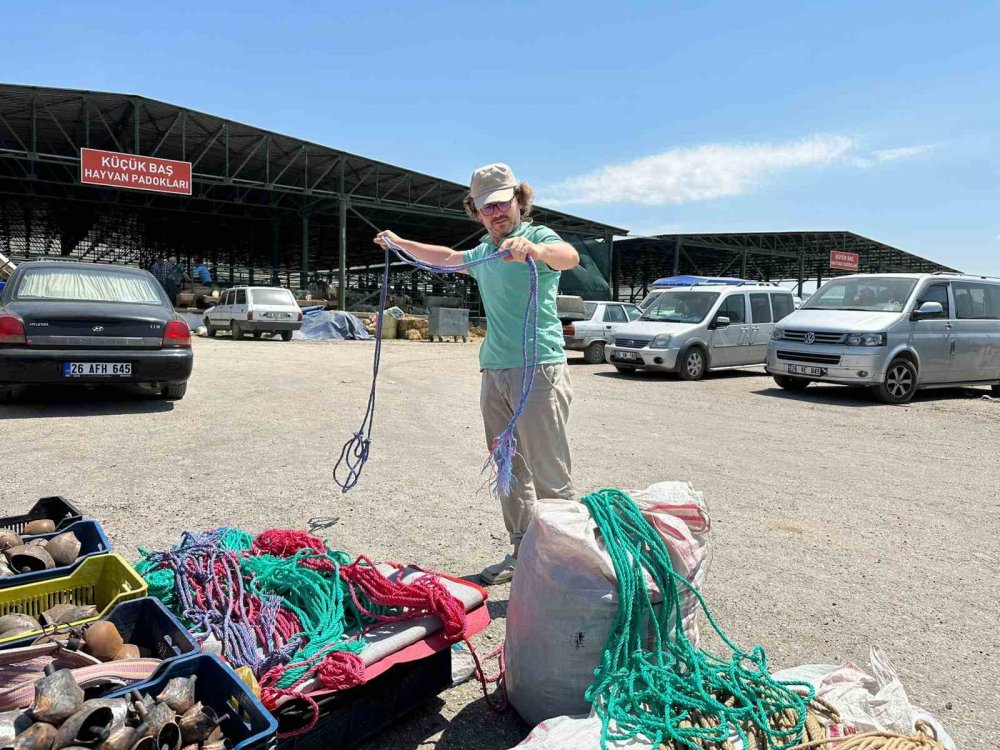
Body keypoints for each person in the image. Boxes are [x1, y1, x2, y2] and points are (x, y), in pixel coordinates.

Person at [374, 163, 580, 585]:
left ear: (518, 200)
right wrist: (399, 242)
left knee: (548, 472)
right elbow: (447, 258)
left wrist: (535, 251)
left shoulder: (537, 237)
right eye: (486, 207)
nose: (496, 212)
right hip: (495, 370)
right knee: (508, 468)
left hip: (538, 367)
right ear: (477, 211)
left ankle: (565, 565)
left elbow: (569, 258)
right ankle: (523, 554)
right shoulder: (486, 250)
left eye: (503, 203)